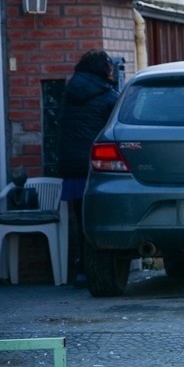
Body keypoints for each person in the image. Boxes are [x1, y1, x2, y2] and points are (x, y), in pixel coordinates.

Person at [57, 49, 120, 287]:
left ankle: (80, 269)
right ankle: (92, 270)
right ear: (102, 68)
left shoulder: (70, 92)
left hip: (71, 166)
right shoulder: (108, 96)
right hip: (96, 166)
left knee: (79, 218)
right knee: (96, 219)